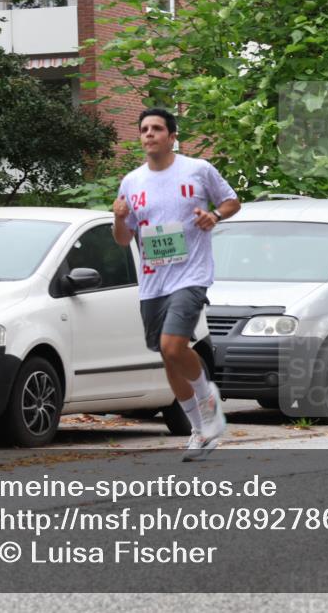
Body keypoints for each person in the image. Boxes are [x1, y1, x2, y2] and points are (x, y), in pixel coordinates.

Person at [113, 108, 241, 461]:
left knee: (173, 347)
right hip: (153, 283)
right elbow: (124, 240)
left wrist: (213, 215)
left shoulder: (197, 170)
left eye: (157, 129)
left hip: (192, 274)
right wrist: (118, 217)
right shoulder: (131, 182)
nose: (149, 134)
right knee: (168, 358)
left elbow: (232, 201)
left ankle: (207, 399)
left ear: (172, 136)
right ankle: (199, 430)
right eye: (144, 129)